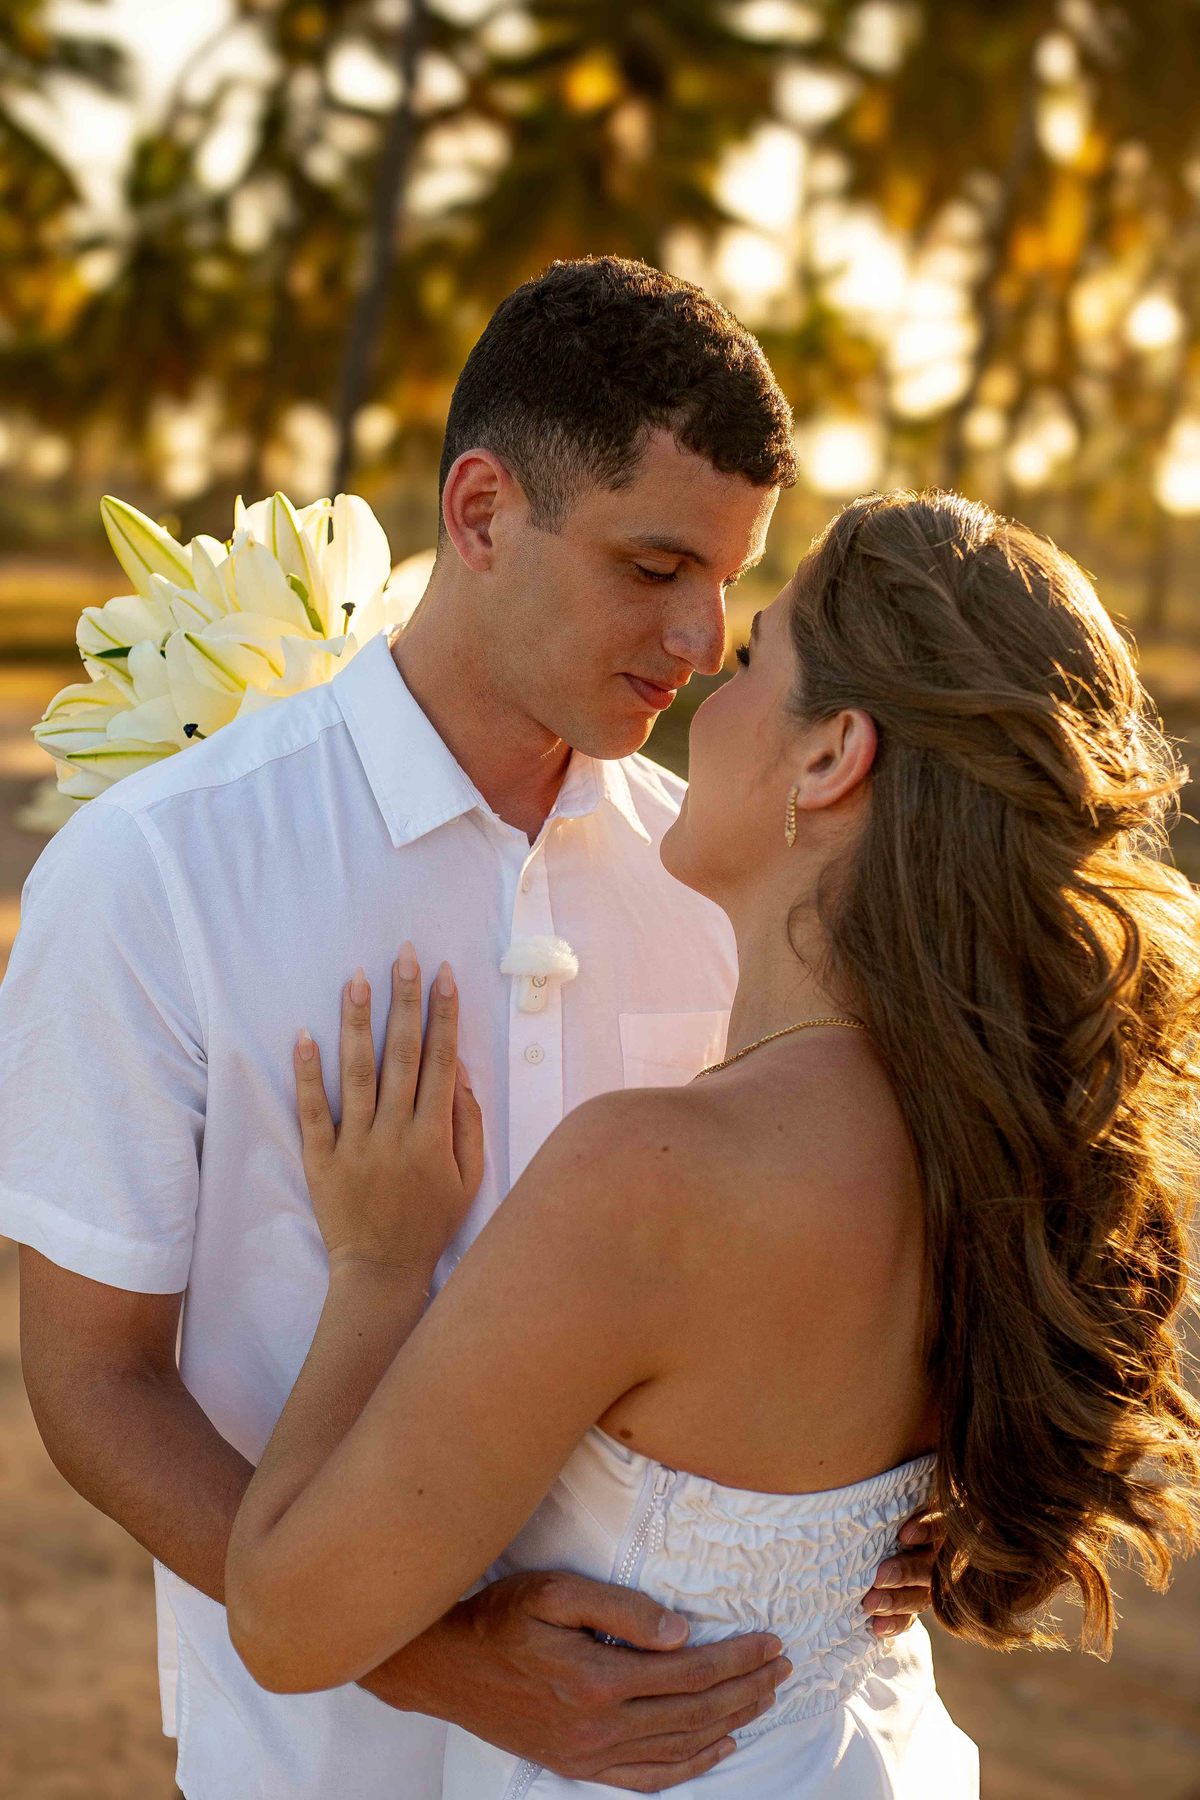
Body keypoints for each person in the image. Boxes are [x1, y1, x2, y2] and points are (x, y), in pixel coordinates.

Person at [0, 258, 936, 1800]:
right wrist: (444, 1663)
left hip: (675, 1755)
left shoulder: (726, 877)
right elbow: (95, 1383)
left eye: (730, 580)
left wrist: (889, 1496)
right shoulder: (160, 867)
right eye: (653, 569)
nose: (704, 637)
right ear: (483, 512)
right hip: (310, 1755)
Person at [224, 488, 1200, 1797]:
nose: (702, 676)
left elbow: (288, 1623)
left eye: (754, 661)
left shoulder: (654, 1179)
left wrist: (380, 1263)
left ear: (827, 756)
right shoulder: (996, 1147)